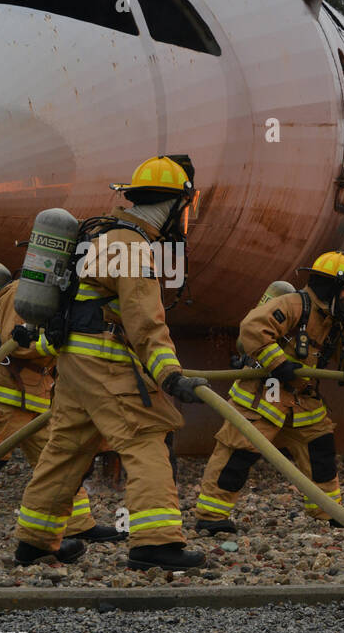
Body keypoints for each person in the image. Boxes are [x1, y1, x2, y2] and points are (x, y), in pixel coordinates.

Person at [12, 155, 208, 570]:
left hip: (75, 364)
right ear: (174, 205)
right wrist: (169, 374)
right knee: (147, 437)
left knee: (66, 448)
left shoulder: (100, 235)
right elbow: (145, 321)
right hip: (105, 361)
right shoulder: (132, 246)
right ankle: (156, 543)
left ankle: (35, 541)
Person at [193, 252, 344, 533]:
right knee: (239, 453)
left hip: (303, 402)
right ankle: (212, 517)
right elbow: (252, 328)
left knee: (320, 450)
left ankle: (327, 511)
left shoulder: (333, 321)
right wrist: (278, 363)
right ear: (335, 289)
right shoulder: (292, 305)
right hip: (265, 397)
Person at [0, 281, 121, 547]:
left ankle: (76, 524)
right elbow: (14, 342)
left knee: (61, 463)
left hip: (39, 401)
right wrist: (51, 344)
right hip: (1, 398)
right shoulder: (20, 293)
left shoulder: (59, 296)